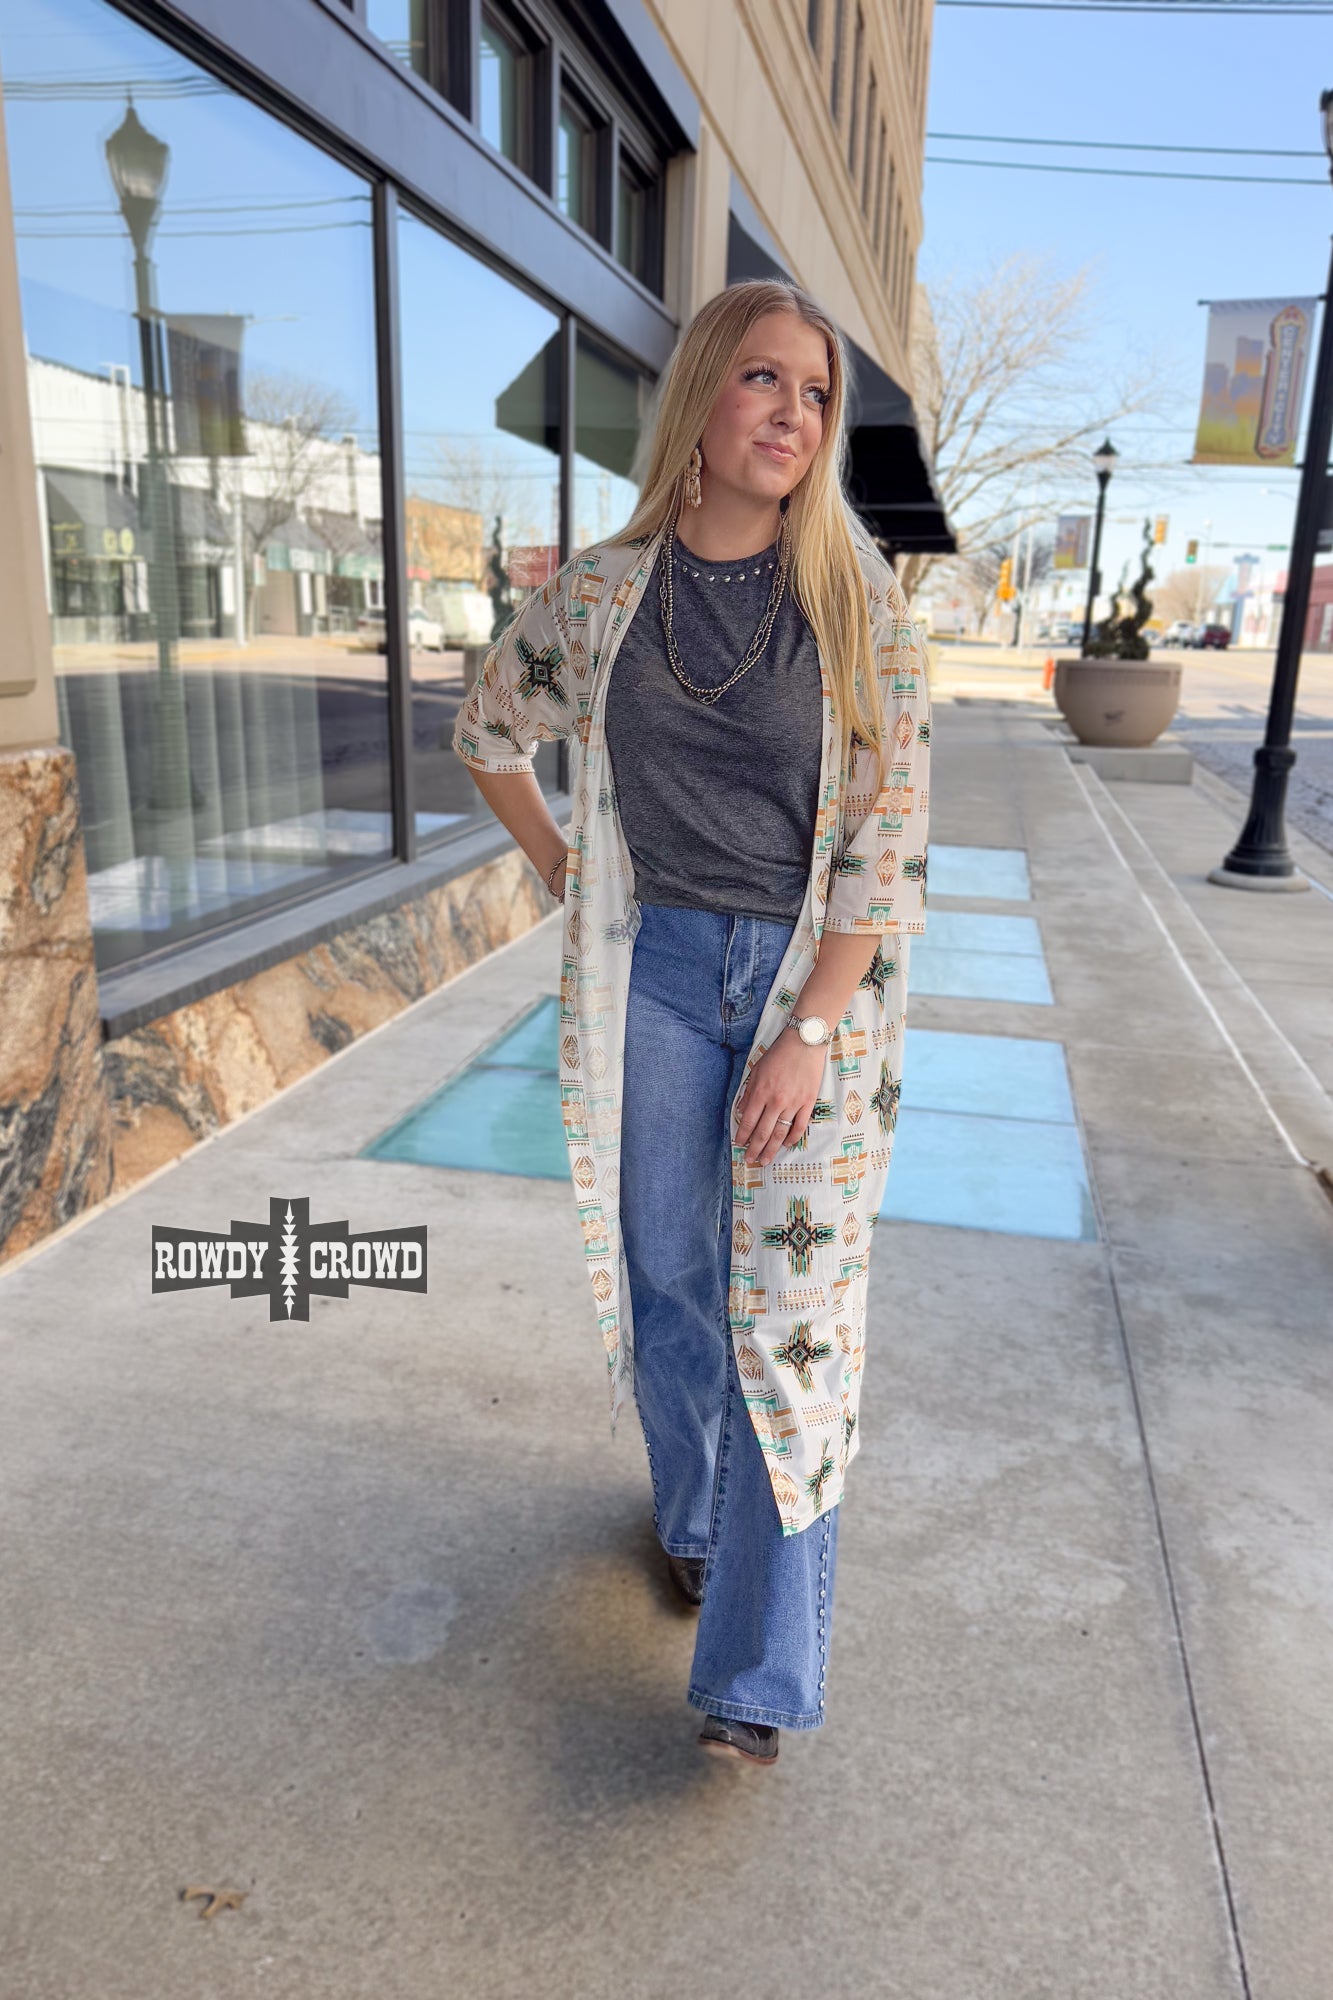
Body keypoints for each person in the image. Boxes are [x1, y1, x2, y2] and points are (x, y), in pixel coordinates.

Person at [452, 277, 930, 1768]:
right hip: (657, 971)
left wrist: (810, 1031)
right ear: (703, 397)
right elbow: (489, 726)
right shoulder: (606, 594)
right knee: (669, 1277)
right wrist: (563, 864)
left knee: (787, 1325)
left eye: (816, 394)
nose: (793, 414)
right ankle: (696, 1519)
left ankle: (755, 1681)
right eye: (764, 379)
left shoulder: (858, 600)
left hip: (809, 991)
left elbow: (888, 837)